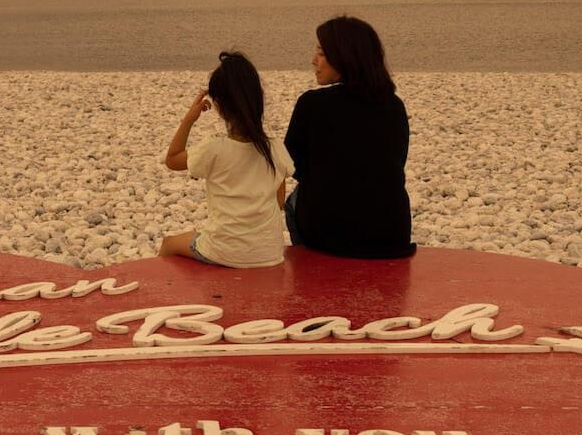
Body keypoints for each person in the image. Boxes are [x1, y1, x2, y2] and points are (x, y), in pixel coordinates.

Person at [283, 15, 416, 258]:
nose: (314, 61)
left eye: (321, 53)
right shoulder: (393, 105)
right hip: (391, 237)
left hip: (330, 239)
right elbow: (395, 162)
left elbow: (293, 165)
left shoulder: (311, 104)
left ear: (344, 58)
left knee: (294, 199)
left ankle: (309, 267)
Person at [157, 51, 292, 268]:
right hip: (269, 252)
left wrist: (189, 119)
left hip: (223, 251)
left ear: (218, 105)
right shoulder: (275, 149)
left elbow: (172, 160)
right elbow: (278, 203)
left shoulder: (214, 149)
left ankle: (166, 294)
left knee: (169, 244)